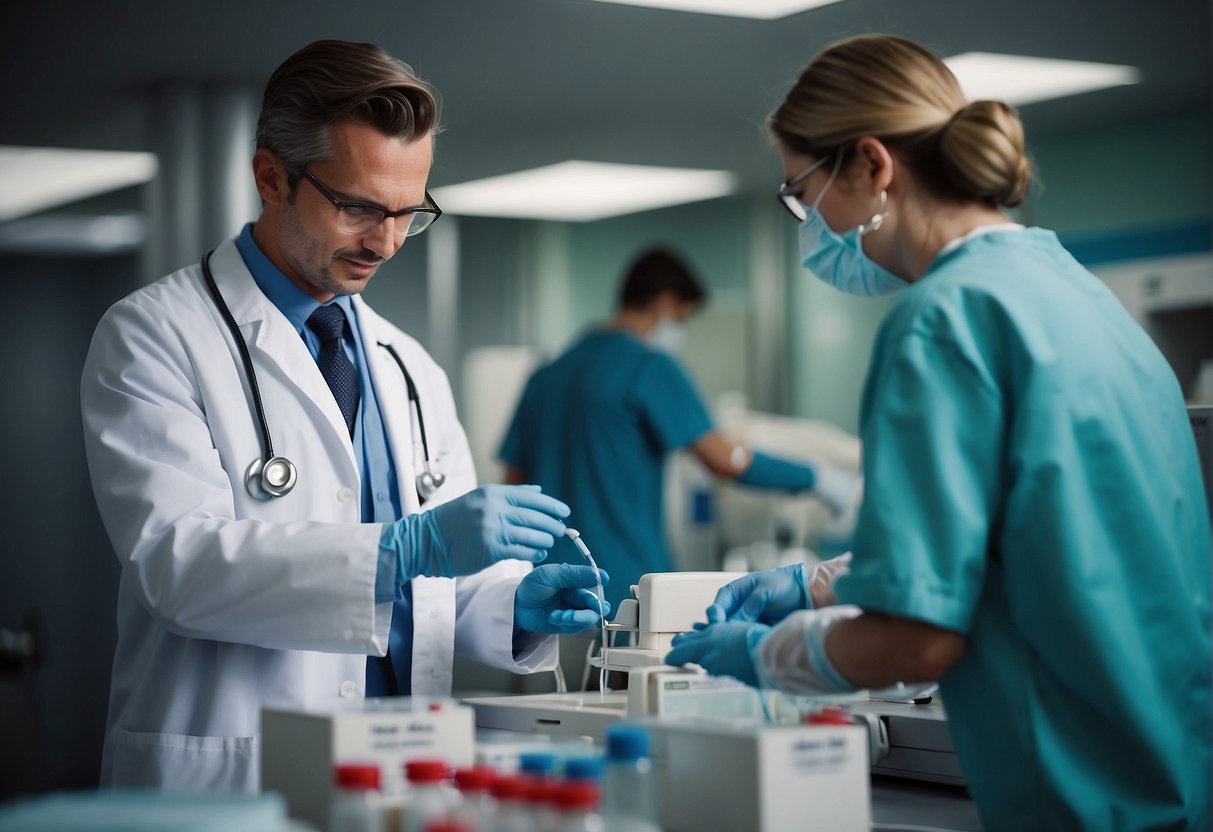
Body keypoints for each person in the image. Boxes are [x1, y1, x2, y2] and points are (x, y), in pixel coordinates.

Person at [665, 34, 1211, 830]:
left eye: (800, 192)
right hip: (1170, 774)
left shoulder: (941, 320)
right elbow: (1050, 539)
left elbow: (915, 643)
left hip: (1068, 786)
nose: (807, 221)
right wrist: (823, 583)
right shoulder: (1079, 297)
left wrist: (761, 656)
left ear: (870, 165)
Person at [80, 40, 607, 794]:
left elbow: (435, 590)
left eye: (408, 212)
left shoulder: (408, 367)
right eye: (359, 207)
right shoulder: (154, 336)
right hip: (238, 770)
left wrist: (512, 606)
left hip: (404, 764)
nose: (387, 242)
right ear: (271, 177)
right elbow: (180, 568)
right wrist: (404, 548)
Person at [498, 247, 856, 611]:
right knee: (626, 668)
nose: (679, 330)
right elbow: (725, 460)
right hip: (623, 588)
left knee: (550, 668)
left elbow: (513, 485)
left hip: (541, 590)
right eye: (682, 319)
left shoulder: (546, 375)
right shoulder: (648, 367)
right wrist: (818, 478)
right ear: (666, 303)